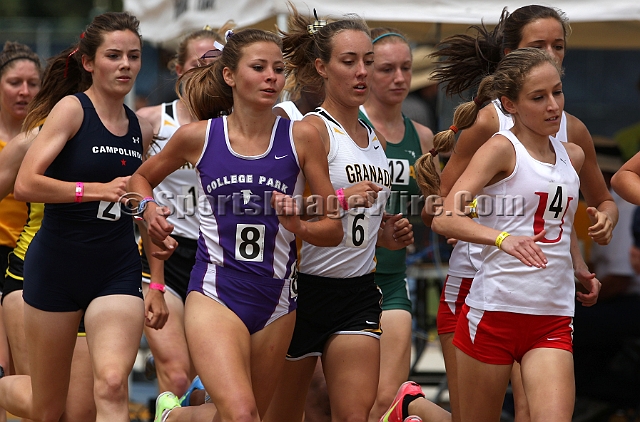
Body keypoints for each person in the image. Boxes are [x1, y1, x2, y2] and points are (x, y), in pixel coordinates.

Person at [379, 6, 610, 422]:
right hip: (481, 288)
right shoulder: (494, 127)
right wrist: (488, 230)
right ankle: (414, 408)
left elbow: (558, 215)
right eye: (538, 46)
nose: (551, 54)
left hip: (550, 307)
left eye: (558, 46)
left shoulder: (571, 139)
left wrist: (580, 256)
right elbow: (444, 207)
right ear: (511, 57)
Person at [129, 28, 343, 422]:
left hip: (278, 299)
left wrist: (299, 224)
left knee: (246, 414)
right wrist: (148, 209)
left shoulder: (302, 137)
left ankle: (176, 417)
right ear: (229, 75)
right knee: (243, 414)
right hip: (216, 292)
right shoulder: (198, 137)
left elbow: (333, 228)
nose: (271, 77)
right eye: (258, 67)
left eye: (278, 69)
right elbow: (138, 180)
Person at [0, 12, 169, 422]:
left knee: (112, 384)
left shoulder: (139, 128)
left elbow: (135, 193)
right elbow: (25, 184)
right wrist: (92, 190)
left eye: (134, 56)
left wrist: (150, 219)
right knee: (50, 409)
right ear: (90, 62)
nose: (126, 65)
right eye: (114, 55)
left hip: (115, 269)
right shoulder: (71, 110)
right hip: (55, 268)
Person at [263, 9, 414, 422]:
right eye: (349, 62)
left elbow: (357, 225)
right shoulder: (310, 129)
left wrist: (386, 234)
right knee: (281, 416)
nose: (362, 71)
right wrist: (343, 199)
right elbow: (275, 204)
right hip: (300, 291)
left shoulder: (373, 135)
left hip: (358, 292)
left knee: (354, 415)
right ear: (322, 68)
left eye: (367, 60)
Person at [431, 47, 583, 422]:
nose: (553, 106)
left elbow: (559, 227)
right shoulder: (501, 149)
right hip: (494, 311)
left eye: (557, 92)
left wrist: (579, 267)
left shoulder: (572, 155)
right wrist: (501, 239)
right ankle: (413, 406)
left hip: (552, 316)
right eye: (538, 97)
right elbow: (445, 217)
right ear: (509, 104)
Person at [134, 22, 231, 402]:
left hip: (216, 258)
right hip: (166, 255)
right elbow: (134, 187)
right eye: (198, 62)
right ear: (179, 70)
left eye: (217, 62)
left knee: (207, 384)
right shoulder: (153, 122)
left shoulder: (235, 126)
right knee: (176, 375)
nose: (206, 71)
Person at [358, 27, 435, 422]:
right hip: (339, 282)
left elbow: (434, 213)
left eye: (406, 68)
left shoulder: (421, 137)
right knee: (333, 403)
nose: (400, 78)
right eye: (387, 69)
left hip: (391, 279)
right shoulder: (341, 129)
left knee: (387, 398)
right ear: (365, 71)